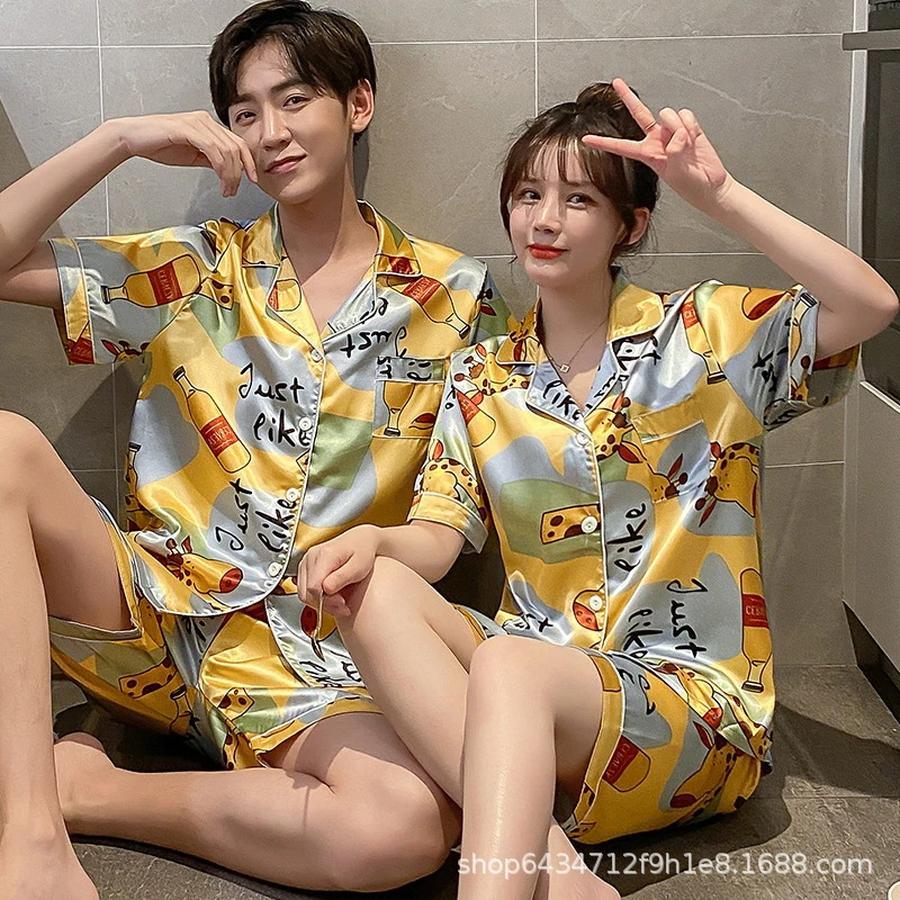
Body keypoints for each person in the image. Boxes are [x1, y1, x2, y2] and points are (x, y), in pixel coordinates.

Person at [296, 78, 898, 899]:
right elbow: (438, 535)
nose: (544, 220)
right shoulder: (483, 376)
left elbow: (870, 304)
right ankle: (560, 870)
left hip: (685, 709)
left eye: (578, 199)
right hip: (535, 703)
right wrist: (373, 541)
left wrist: (720, 197)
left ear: (631, 225)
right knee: (372, 589)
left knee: (510, 666)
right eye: (528, 195)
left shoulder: (705, 337)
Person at [0, 1, 513, 896]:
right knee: (3, 445)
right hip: (148, 621)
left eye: (295, 99)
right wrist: (119, 139)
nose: (271, 132)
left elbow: (449, 512)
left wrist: (382, 555)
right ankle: (33, 830)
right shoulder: (194, 267)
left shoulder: (454, 295)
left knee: (404, 828)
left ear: (358, 104)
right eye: (246, 112)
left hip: (311, 658)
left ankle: (92, 793)